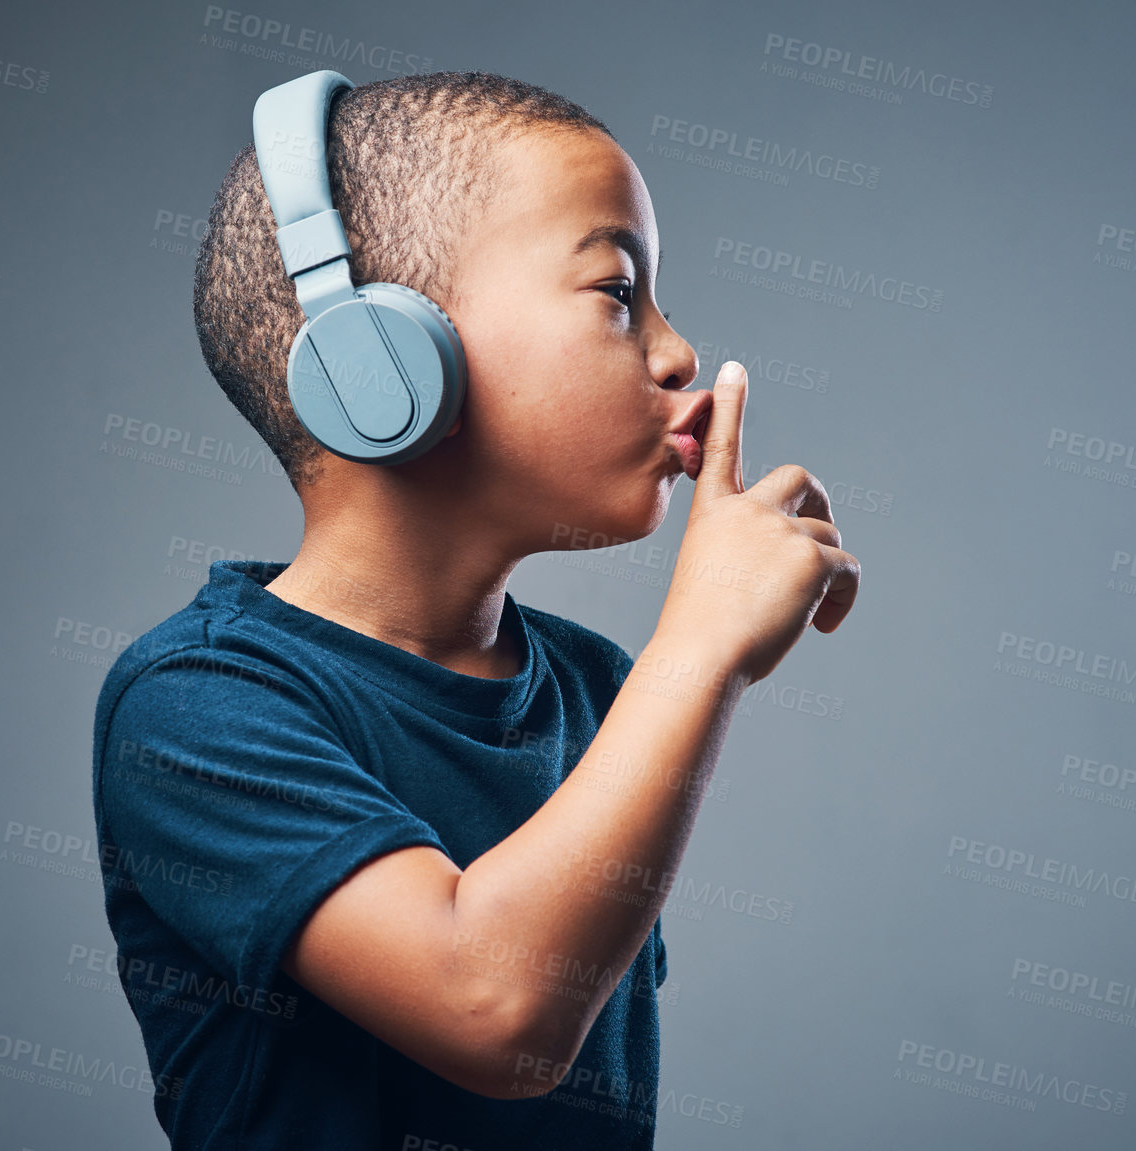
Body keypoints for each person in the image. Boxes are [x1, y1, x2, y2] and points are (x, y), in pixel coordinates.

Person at [91, 69, 860, 1149]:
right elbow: (497, 1012)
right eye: (617, 291)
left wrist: (682, 665)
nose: (678, 349)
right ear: (384, 358)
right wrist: (702, 644)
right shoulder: (198, 707)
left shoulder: (596, 687)